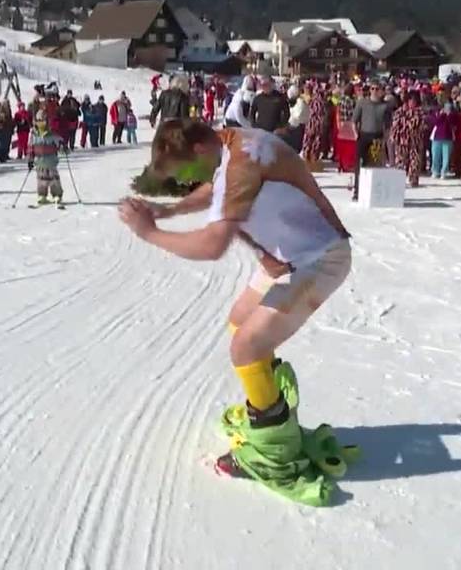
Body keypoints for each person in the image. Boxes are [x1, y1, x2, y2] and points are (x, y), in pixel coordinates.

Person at [117, 120, 351, 506]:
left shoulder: (241, 163)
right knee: (241, 323)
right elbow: (217, 191)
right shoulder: (230, 145)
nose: (186, 182)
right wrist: (169, 211)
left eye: (185, 174)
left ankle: (273, 454)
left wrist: (148, 232)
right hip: (286, 260)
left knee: (246, 347)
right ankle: (272, 409)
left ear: (198, 151)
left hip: (319, 259)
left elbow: (212, 245)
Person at [351, 82, 391, 200]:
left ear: (381, 90)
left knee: (375, 164)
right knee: (360, 164)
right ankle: (357, 191)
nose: (374, 91)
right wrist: (355, 134)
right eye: (372, 88)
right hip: (363, 136)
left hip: (377, 136)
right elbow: (354, 120)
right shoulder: (362, 102)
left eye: (376, 88)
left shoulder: (385, 106)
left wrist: (385, 138)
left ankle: (373, 191)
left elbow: (388, 125)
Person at [28, 110, 64, 207]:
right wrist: (30, 159)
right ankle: (42, 195)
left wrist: (62, 147)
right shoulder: (34, 134)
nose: (41, 122)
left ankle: (57, 195)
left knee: (54, 180)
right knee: (41, 180)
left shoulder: (52, 134)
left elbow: (60, 142)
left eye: (43, 120)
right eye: (39, 120)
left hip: (51, 160)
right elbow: (31, 147)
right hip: (39, 161)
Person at [390, 92, 427, 187]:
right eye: (410, 100)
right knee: (400, 162)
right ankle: (398, 180)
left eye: (414, 100)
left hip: (415, 142)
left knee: (415, 162)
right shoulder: (399, 111)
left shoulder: (420, 112)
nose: (412, 102)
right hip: (402, 141)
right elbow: (395, 126)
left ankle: (413, 180)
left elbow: (421, 125)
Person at [429, 99, 458, 179]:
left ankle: (444, 172)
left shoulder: (453, 115)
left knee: (446, 156)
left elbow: (454, 123)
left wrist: (449, 115)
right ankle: (435, 171)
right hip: (436, 136)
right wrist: (441, 114)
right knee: (435, 155)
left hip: (448, 137)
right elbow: (435, 122)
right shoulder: (436, 112)